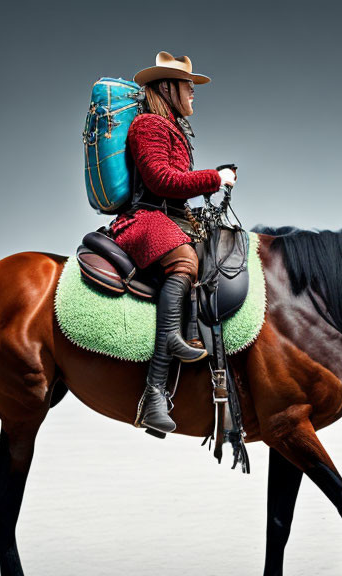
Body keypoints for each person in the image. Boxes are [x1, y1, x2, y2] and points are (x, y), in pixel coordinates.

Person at [110, 51, 237, 434]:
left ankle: (194, 336)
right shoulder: (148, 125)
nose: (193, 93)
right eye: (188, 86)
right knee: (184, 259)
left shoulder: (171, 128)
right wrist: (214, 179)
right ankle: (156, 385)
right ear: (167, 88)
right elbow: (161, 181)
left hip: (169, 216)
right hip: (145, 218)